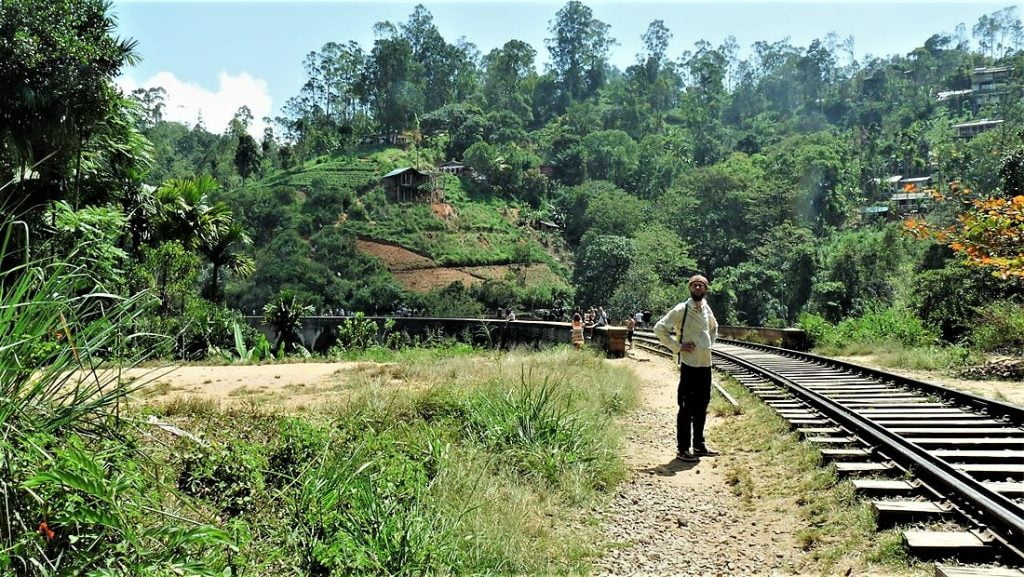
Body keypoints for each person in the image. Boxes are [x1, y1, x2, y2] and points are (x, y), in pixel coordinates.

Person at [653, 274, 719, 463]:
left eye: (701, 286)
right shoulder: (682, 309)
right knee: (686, 407)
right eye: (694, 285)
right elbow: (659, 328)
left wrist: (707, 344)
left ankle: (699, 445)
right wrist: (678, 347)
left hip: (705, 364)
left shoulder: (706, 308)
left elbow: (714, 327)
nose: (698, 288)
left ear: (706, 289)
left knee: (702, 406)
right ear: (690, 288)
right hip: (689, 365)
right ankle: (683, 449)